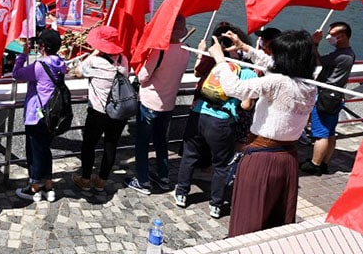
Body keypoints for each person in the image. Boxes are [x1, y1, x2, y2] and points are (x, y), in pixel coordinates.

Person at [212, 29, 317, 237]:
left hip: (262, 158)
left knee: (250, 213)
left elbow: (236, 89)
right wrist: (245, 48)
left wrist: (220, 61)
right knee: (275, 218)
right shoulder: (310, 83)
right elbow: (271, 65)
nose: (272, 57)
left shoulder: (278, 82)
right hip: (287, 159)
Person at [175, 23, 256, 219]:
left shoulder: (211, 63)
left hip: (198, 114)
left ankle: (181, 193)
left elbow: (197, 73)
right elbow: (246, 106)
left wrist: (202, 53)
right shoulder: (246, 70)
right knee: (221, 164)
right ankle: (216, 204)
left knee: (190, 155)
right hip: (221, 121)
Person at [125, 16, 190, 195]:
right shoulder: (185, 52)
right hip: (169, 104)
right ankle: (163, 176)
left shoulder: (159, 51)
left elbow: (143, 77)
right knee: (162, 142)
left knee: (142, 143)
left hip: (149, 102)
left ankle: (143, 180)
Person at [68, 26, 129, 192]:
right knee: (111, 145)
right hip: (119, 112)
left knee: (89, 145)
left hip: (98, 111)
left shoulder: (96, 62)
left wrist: (94, 54)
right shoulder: (123, 60)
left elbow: (78, 71)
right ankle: (102, 180)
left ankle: (86, 179)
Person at [13, 29, 66, 203]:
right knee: (45, 150)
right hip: (53, 115)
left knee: (34, 152)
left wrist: (23, 55)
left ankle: (34, 187)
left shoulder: (39, 66)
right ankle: (48, 186)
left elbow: (17, 74)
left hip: (37, 115)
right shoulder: (60, 64)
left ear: (42, 47)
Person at [301, 21, 354, 176]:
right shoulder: (347, 53)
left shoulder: (342, 55)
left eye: (332, 35)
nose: (329, 37)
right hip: (335, 96)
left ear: (342, 36)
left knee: (321, 133)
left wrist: (314, 44)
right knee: (330, 132)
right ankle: (324, 162)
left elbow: (318, 61)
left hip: (325, 95)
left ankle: (315, 164)